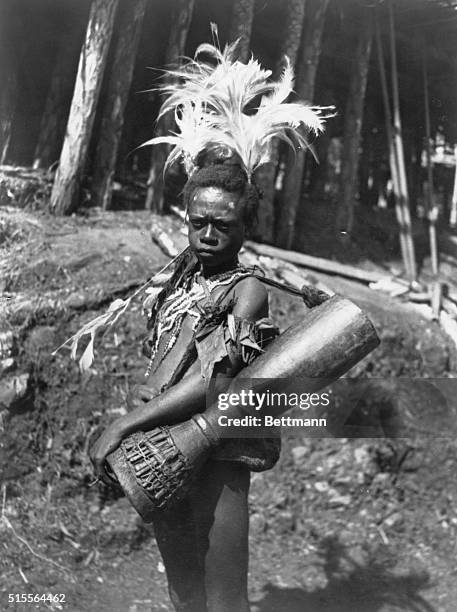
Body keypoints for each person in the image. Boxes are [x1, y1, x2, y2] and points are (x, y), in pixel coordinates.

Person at [90, 161, 282, 612]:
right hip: (162, 450)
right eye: (199, 223)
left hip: (215, 456)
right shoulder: (180, 281)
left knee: (224, 596)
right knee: (183, 587)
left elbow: (209, 380)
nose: (208, 235)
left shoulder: (247, 292)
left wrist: (122, 426)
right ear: (187, 220)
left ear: (246, 227)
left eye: (224, 225)